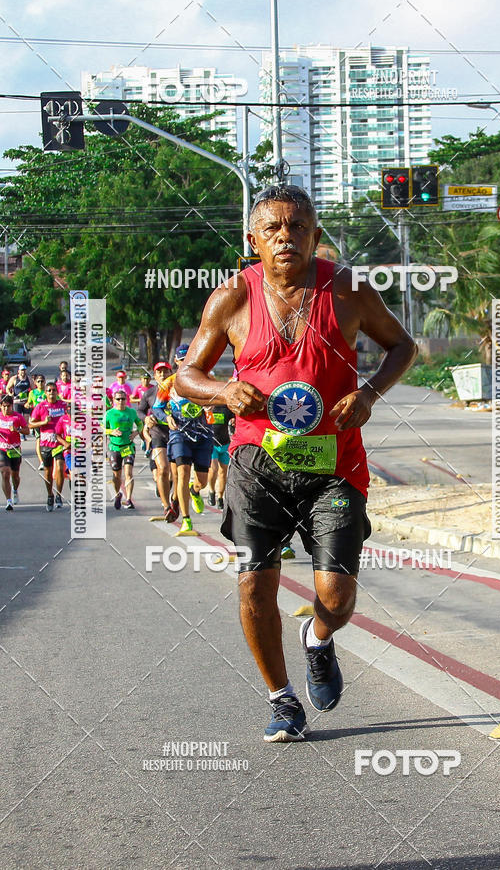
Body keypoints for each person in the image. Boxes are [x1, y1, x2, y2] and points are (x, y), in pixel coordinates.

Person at [176, 184, 417, 742]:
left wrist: (369, 395)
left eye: (298, 226)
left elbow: (402, 346)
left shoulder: (350, 289)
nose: (286, 236)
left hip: (335, 463)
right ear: (252, 239)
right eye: (273, 229)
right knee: (255, 581)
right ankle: (281, 698)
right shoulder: (232, 296)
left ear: (315, 234)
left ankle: (318, 639)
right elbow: (187, 375)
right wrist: (224, 392)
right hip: (256, 461)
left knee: (336, 594)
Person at [153, 344, 212, 534]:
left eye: (189, 358)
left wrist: (212, 406)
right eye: (182, 360)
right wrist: (166, 418)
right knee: (183, 471)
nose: (186, 363)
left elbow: (218, 398)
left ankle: (194, 491)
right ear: (177, 362)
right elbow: (157, 407)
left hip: (203, 434)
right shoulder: (169, 383)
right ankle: (186, 519)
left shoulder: (206, 379)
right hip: (179, 433)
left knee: (201, 481)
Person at [137, 361, 175, 521]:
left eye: (165, 372)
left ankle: (169, 491)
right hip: (157, 434)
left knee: (174, 474)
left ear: (170, 373)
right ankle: (167, 507)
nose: (162, 375)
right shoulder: (150, 393)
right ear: (155, 376)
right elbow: (139, 410)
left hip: (176, 433)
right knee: (162, 469)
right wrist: (146, 419)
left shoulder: (177, 391)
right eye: (159, 372)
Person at [29, 380, 68, 511]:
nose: (52, 392)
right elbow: (30, 424)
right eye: (49, 390)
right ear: (45, 393)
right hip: (45, 443)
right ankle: (50, 495)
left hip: (59, 442)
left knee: (60, 467)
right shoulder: (40, 406)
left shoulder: (63, 405)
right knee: (48, 472)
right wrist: (43, 422)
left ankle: (58, 495)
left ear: (57, 392)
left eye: (54, 390)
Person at [104, 393, 143, 509]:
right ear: (114, 400)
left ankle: (129, 499)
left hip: (128, 446)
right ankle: (117, 494)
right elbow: (102, 428)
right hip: (114, 447)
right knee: (117, 475)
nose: (121, 401)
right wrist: (111, 432)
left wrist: (136, 433)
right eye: (118, 399)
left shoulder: (131, 412)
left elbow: (140, 424)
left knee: (128, 473)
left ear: (126, 400)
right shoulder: (109, 414)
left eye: (123, 399)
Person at [0, 393, 28, 509]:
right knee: (5, 473)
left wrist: (17, 430)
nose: (6, 409)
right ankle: (9, 501)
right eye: (4, 406)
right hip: (2, 449)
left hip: (15, 449)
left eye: (9, 406)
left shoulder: (17, 417)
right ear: (1, 406)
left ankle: (15, 490)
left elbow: (27, 430)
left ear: (12, 406)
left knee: (15, 476)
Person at [205, 402, 235, 509]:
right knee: (213, 469)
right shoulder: (209, 407)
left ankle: (220, 497)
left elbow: (235, 418)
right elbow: (206, 421)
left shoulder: (227, 408)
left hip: (225, 443)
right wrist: (208, 411)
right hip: (212, 443)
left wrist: (233, 421)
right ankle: (212, 490)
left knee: (223, 472)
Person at [26, 374, 46, 468]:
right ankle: (41, 461)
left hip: (47, 419)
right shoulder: (32, 393)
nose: (40, 383)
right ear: (35, 383)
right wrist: (27, 405)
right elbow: (29, 403)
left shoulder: (48, 391)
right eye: (38, 381)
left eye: (42, 381)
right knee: (39, 439)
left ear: (45, 382)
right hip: (36, 419)